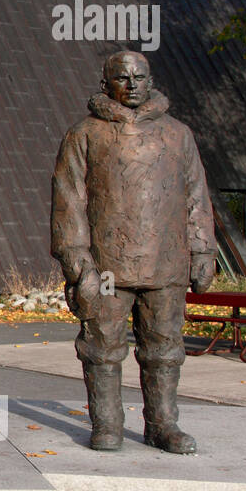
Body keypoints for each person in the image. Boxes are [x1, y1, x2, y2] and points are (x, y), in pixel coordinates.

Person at [52, 50, 217, 453]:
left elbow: (195, 195)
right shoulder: (84, 134)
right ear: (105, 82)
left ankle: (163, 425)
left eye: (139, 77)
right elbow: (68, 201)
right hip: (106, 266)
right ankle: (107, 424)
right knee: (101, 347)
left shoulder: (178, 134)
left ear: (150, 80)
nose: (131, 85)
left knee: (164, 349)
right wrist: (77, 260)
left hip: (166, 261)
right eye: (122, 77)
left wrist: (203, 250)